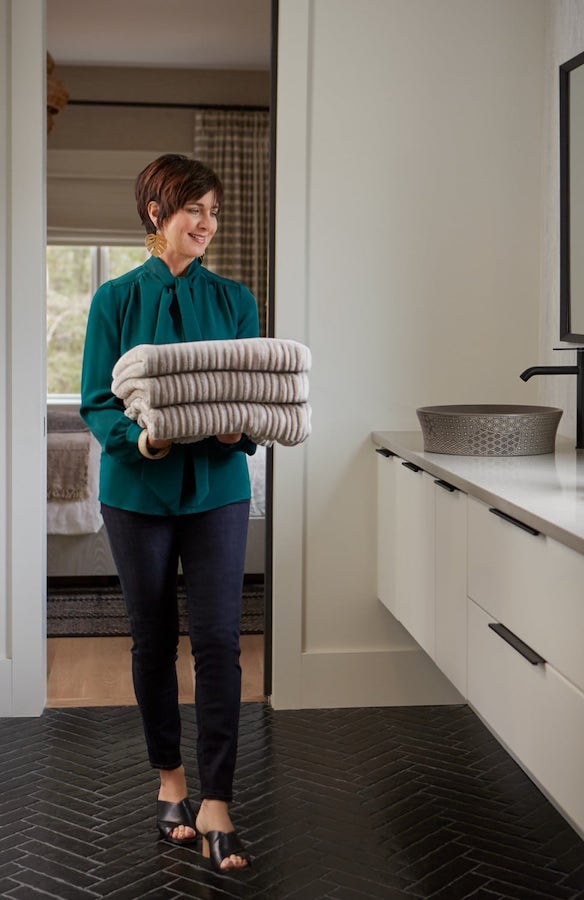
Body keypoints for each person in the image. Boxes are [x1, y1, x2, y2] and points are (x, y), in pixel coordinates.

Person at [80, 153, 258, 873]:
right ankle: (170, 783)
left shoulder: (235, 299)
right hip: (137, 493)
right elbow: (97, 400)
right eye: (196, 210)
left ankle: (217, 797)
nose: (208, 224)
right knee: (152, 641)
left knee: (219, 640)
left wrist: (233, 428)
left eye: (215, 213)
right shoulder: (114, 301)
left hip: (219, 488)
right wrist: (141, 437)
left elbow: (250, 397)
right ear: (157, 212)